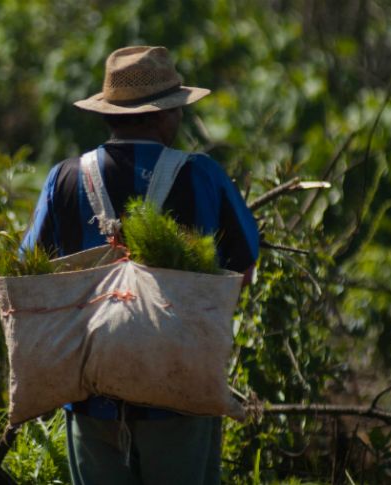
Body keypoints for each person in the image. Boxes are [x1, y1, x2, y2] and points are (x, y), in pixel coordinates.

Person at [20, 45, 259, 485]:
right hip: (179, 391)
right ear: (164, 114)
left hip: (89, 395)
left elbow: (30, 272)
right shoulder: (201, 175)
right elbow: (243, 269)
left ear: (109, 113)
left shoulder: (65, 178)